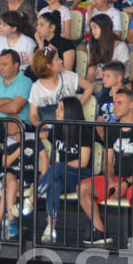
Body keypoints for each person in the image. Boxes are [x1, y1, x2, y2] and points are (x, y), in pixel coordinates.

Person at [79, 88, 133, 247]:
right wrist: (111, 181)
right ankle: (101, 231)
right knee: (82, 187)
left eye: (119, 103)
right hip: (116, 178)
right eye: (114, 103)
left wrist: (126, 183)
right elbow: (107, 161)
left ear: (132, 104)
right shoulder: (111, 127)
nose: (115, 106)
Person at [35, 96, 91, 243]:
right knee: (55, 183)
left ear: (71, 111)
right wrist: (25, 134)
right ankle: (50, 228)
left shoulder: (84, 130)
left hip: (82, 175)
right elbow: (43, 135)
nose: (56, 111)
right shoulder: (58, 128)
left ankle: (33, 198)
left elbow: (83, 162)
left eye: (61, 108)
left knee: (58, 167)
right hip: (62, 174)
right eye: (57, 108)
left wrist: (60, 168)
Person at [0, 49, 32, 134]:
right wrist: (6, 100)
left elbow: (14, 109)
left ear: (15, 65)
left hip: (18, 125)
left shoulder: (26, 82)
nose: (0, 68)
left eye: (4, 64)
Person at [0, 10, 36, 79]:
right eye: (0, 24)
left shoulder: (28, 43)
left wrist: (12, 72)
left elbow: (32, 66)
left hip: (21, 76)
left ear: (14, 28)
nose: (0, 27)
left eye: (4, 25)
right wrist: (6, 71)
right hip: (1, 75)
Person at [86, 13, 129, 81]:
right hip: (97, 81)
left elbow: (121, 73)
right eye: (91, 28)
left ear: (104, 28)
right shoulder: (91, 45)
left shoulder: (120, 46)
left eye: (95, 27)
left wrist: (103, 75)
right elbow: (91, 70)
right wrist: (91, 83)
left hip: (116, 82)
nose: (92, 31)